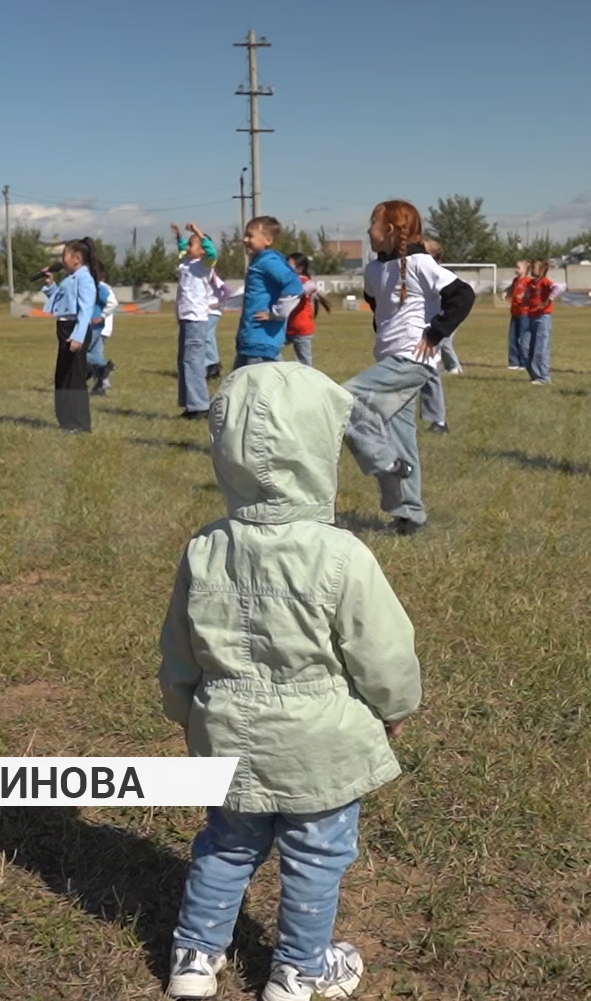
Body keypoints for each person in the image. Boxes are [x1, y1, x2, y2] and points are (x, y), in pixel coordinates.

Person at [159, 360, 422, 1001]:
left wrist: (181, 707)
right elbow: (382, 648)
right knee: (317, 854)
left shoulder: (206, 547)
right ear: (319, 449)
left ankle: (194, 958)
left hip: (227, 736)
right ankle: (300, 969)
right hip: (320, 744)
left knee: (226, 842)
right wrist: (396, 706)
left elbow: (179, 645)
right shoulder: (341, 554)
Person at [344, 200, 475, 535]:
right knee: (401, 437)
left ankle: (385, 463)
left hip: (412, 360)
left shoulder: (420, 262)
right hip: (389, 358)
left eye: (372, 223)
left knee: (344, 400)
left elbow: (462, 294)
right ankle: (409, 515)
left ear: (388, 230)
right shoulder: (374, 270)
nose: (368, 229)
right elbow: (377, 303)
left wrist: (434, 333)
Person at [39, 238, 104, 433]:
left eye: (64, 256)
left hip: (75, 329)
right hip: (64, 328)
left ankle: (81, 424)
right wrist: (50, 285)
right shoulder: (71, 279)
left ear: (76, 258)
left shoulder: (85, 279)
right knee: (63, 376)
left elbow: (85, 310)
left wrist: (77, 336)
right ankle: (67, 421)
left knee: (75, 378)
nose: (62, 260)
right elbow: (61, 301)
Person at [232, 217, 305, 370]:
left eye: (250, 235)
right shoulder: (260, 261)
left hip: (261, 342)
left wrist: (277, 313)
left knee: (259, 389)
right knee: (238, 387)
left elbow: (294, 285)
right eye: (245, 235)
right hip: (250, 340)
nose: (245, 239)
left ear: (268, 240)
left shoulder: (269, 261)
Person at [174, 224, 222, 418]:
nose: (189, 247)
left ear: (202, 249)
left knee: (193, 362)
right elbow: (182, 247)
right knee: (184, 361)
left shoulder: (206, 264)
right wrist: (179, 234)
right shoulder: (186, 262)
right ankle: (189, 404)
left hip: (196, 319)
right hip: (186, 318)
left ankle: (201, 406)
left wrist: (199, 231)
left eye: (193, 244)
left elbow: (212, 250)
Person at [416, 238, 459, 434]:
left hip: (433, 329)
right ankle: (434, 418)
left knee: (429, 370)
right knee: (424, 371)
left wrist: (440, 327)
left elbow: (458, 299)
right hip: (421, 327)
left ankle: (439, 421)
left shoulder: (439, 275)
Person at [284, 251, 330, 367]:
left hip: (302, 329)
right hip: (287, 327)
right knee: (270, 349)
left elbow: (312, 286)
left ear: (300, 268)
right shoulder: (287, 280)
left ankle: (307, 382)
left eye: (289, 265)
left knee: (304, 362)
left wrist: (297, 291)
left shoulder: (303, 281)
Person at [522, 259, 563, 384]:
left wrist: (547, 301)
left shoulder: (545, 282)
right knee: (525, 346)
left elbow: (559, 287)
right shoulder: (531, 283)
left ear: (542, 270)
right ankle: (534, 375)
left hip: (543, 318)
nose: (532, 270)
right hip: (531, 317)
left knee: (541, 348)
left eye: (534, 268)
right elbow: (528, 297)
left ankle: (544, 377)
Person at [86, 275, 120, 396]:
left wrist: (101, 317)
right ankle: (101, 385)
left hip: (98, 326)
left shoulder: (100, 287)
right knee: (96, 355)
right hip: (102, 326)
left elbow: (112, 304)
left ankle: (105, 368)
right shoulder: (103, 287)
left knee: (82, 354)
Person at [506, 259, 533, 369]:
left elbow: (533, 293)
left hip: (525, 313)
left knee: (523, 338)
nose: (515, 269)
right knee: (512, 337)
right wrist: (505, 292)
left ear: (525, 269)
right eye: (515, 267)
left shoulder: (529, 281)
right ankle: (513, 362)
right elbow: (511, 288)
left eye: (518, 267)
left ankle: (524, 362)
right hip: (515, 312)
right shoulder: (516, 280)